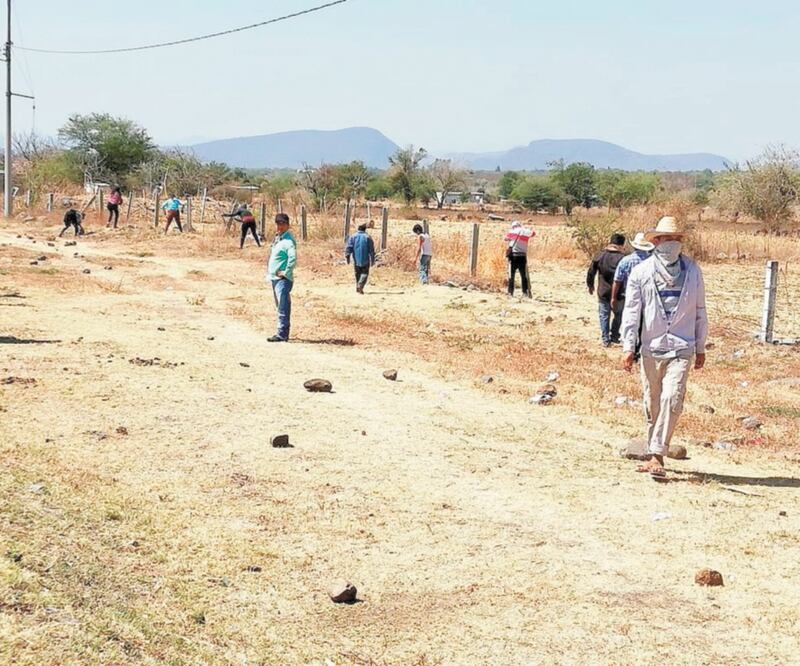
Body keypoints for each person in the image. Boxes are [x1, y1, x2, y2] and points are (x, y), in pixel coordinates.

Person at [621, 216, 708, 478]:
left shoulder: (693, 271)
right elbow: (632, 312)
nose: (672, 243)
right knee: (653, 402)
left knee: (672, 398)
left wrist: (701, 345)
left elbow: (700, 310)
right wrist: (628, 346)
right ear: (655, 242)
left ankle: (657, 455)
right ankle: (652, 452)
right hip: (652, 346)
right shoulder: (641, 273)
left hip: (683, 347)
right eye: (666, 239)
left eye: (676, 239)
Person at [611, 232, 654, 360]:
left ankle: (630, 348)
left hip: (629, 296)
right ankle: (640, 349)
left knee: (630, 322)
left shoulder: (625, 260)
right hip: (648, 298)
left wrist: (613, 297)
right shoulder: (652, 261)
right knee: (644, 324)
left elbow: (617, 280)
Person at [586, 233, 626, 347]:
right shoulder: (623, 259)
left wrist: (590, 285)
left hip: (603, 291)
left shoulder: (600, 255)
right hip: (619, 293)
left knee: (604, 315)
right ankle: (614, 335)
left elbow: (591, 272)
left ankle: (605, 339)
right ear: (621, 245)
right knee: (619, 315)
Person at [266, 213, 297, 342]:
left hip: (282, 280)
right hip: (274, 278)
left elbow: (293, 257)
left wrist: (286, 272)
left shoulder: (288, 241)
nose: (280, 226)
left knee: (283, 307)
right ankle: (282, 331)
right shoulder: (279, 238)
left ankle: (282, 333)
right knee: (280, 306)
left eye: (282, 223)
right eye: (278, 223)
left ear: (287, 225)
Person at [504, 221, 535, 297]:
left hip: (513, 256)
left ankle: (510, 293)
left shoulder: (512, 232)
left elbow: (505, 238)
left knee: (511, 275)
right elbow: (533, 233)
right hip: (522, 256)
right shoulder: (526, 231)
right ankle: (525, 292)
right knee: (523, 276)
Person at [345, 223, 376, 293]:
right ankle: (360, 285)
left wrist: (347, 255)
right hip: (365, 259)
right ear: (365, 229)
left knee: (357, 273)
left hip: (356, 259)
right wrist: (373, 259)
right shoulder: (368, 237)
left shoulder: (353, 237)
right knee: (365, 273)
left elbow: (349, 247)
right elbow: (371, 250)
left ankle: (358, 287)